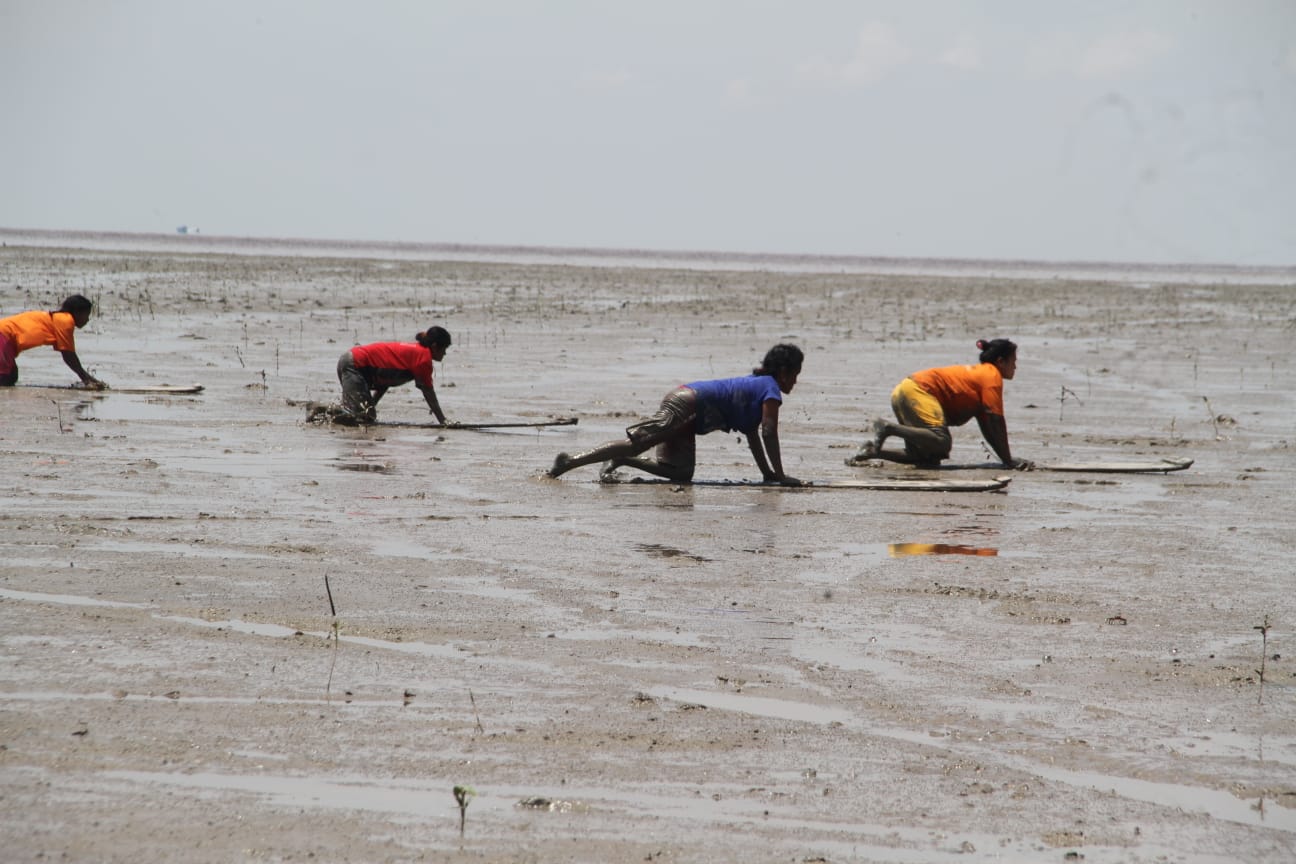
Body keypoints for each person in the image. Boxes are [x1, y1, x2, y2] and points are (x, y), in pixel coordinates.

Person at [548, 343, 804, 485]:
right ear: (783, 372)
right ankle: (569, 462)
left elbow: (753, 435)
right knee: (636, 444)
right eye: (795, 375)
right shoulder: (770, 388)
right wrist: (781, 476)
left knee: (682, 473)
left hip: (691, 412)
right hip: (689, 404)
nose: (795, 382)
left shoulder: (758, 386)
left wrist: (768, 474)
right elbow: (769, 432)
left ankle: (621, 460)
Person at [851, 338, 1032, 469]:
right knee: (941, 441)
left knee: (927, 458)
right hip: (919, 391)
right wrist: (1008, 460)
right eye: (1013, 362)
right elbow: (996, 423)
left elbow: (988, 428)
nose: (1015, 367)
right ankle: (887, 428)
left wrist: (1005, 459)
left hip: (904, 390)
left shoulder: (981, 377)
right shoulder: (991, 375)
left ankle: (872, 451)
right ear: (1000, 361)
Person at [308, 326, 452, 425]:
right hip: (355, 364)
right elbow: (428, 392)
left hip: (352, 361)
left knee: (365, 416)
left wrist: (371, 406)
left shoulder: (416, 353)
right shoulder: (423, 358)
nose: (445, 354)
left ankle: (323, 415)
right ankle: (319, 408)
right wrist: (442, 420)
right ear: (434, 346)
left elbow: (385, 382)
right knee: (359, 416)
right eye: (444, 349)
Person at [0, 295, 106, 389]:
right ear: (77, 312)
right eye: (86, 315)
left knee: (11, 375)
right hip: (4, 335)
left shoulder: (58, 319)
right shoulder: (65, 321)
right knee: (6, 377)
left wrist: (87, 378)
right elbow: (69, 356)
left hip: (5, 336)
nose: (87, 319)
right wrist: (87, 379)